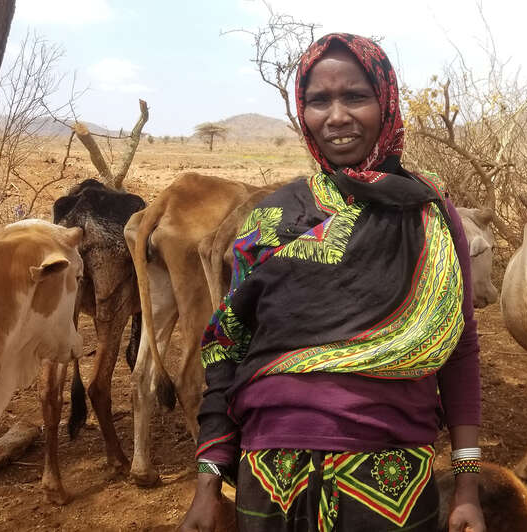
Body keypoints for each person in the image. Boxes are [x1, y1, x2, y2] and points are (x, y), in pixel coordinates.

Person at [179, 33, 486, 532]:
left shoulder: (429, 214)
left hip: (391, 482)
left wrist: (467, 484)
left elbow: (461, 347)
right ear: (303, 113)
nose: (337, 117)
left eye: (356, 97)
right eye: (319, 101)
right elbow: (227, 347)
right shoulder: (274, 216)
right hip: (270, 478)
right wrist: (208, 482)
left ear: (385, 103)